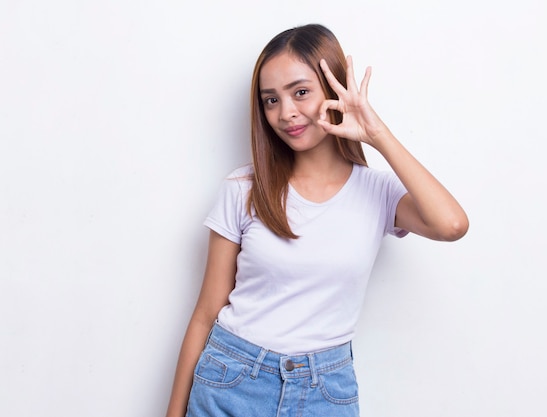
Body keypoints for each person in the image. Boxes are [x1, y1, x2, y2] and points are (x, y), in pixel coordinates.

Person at [166, 23, 468, 417]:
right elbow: (206, 312)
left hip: (324, 391)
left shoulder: (377, 192)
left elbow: (452, 225)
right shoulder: (243, 188)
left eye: (301, 92)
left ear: (335, 91)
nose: (285, 112)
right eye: (270, 100)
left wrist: (376, 132)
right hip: (232, 378)